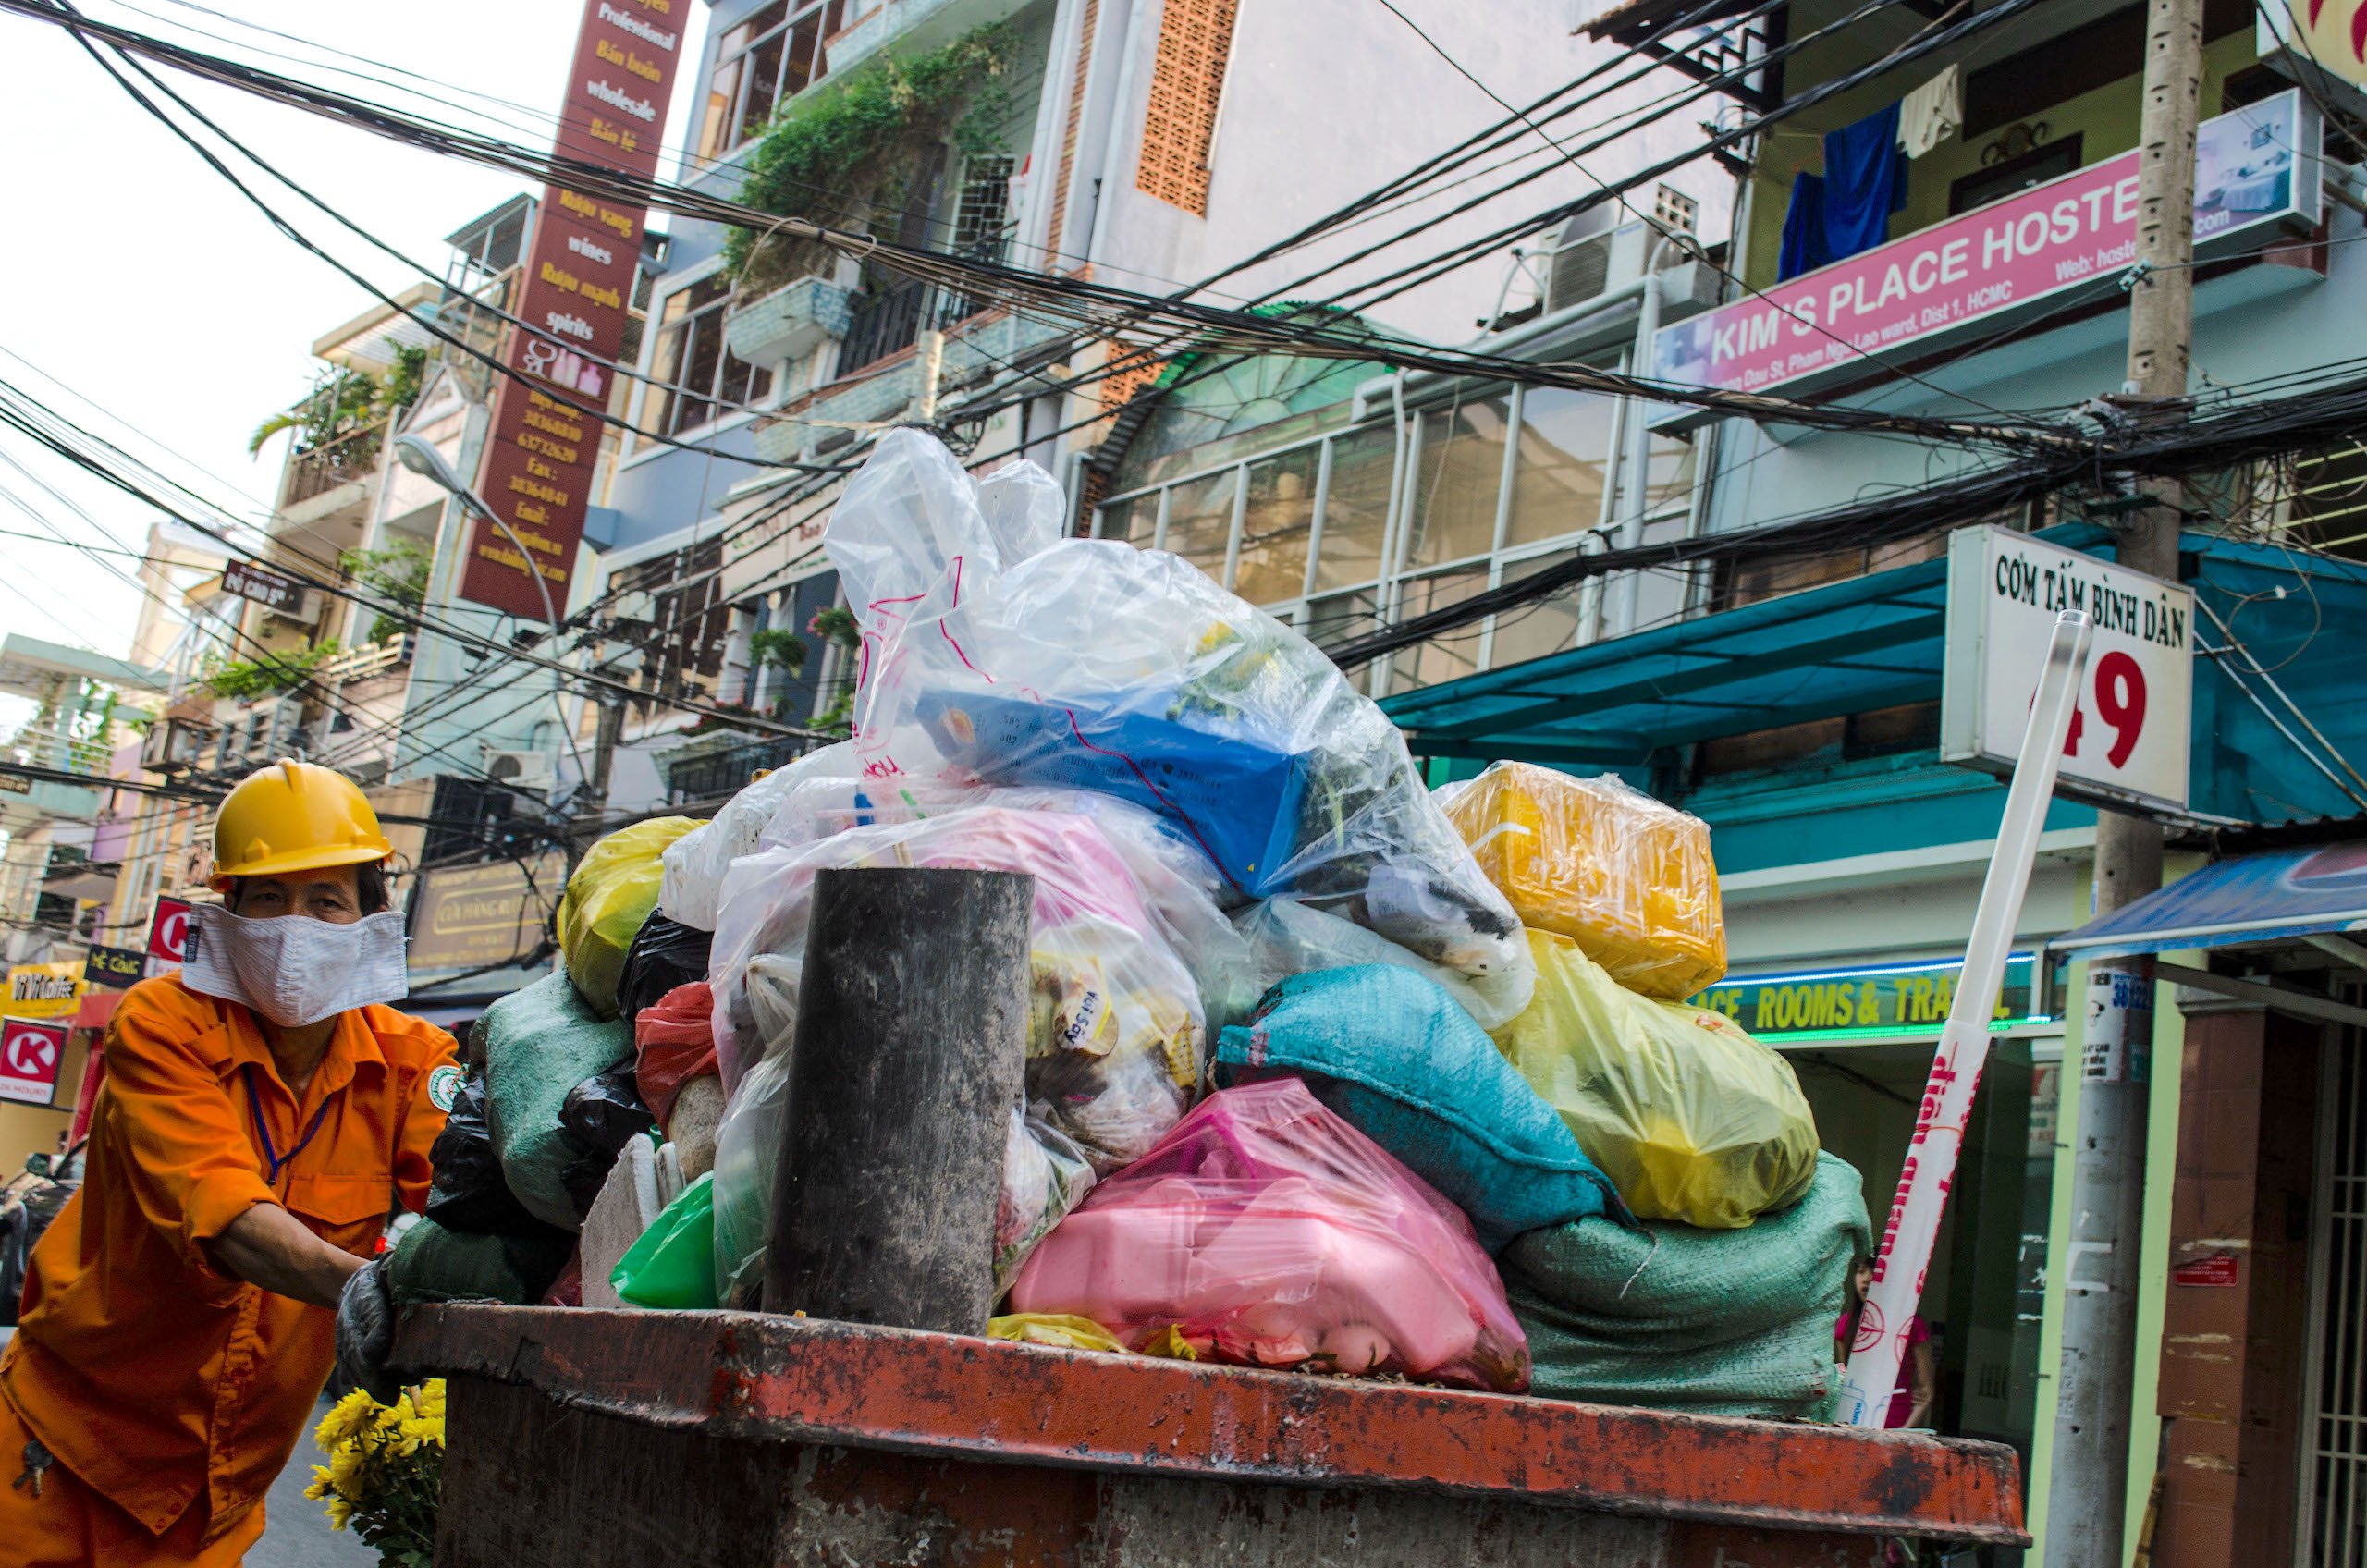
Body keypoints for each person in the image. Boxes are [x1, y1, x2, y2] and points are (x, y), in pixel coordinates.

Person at [0, 761, 459, 1565]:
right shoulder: (160, 1026)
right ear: (229, 912)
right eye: (269, 898)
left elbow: (461, 1205)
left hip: (221, 1499)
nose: (295, 926)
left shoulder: (414, 1062)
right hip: (63, 1458)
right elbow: (222, 1210)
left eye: (325, 902)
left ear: (370, 919)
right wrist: (367, 1287)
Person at [1837, 1252, 1937, 1429]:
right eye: (1861, 1271)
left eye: (1874, 1272)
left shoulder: (1912, 1325)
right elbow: (1843, 1379)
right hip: (1852, 1422)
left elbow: (1926, 1393)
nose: (1866, 1279)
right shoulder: (1846, 1324)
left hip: (1896, 1425)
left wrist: (1903, 1433)